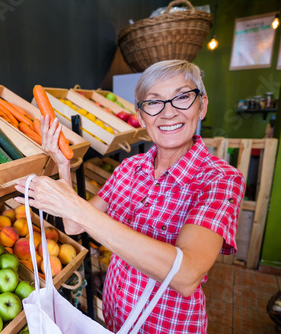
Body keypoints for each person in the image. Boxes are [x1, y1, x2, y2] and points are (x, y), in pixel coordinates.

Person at [15, 60, 246, 333]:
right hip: (115, 315)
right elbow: (75, 226)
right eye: (153, 102)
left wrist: (76, 207)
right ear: (141, 115)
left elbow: (186, 276)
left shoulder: (219, 179)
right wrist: (62, 164)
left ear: (202, 106)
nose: (168, 112)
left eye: (182, 97)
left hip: (168, 326)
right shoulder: (130, 168)